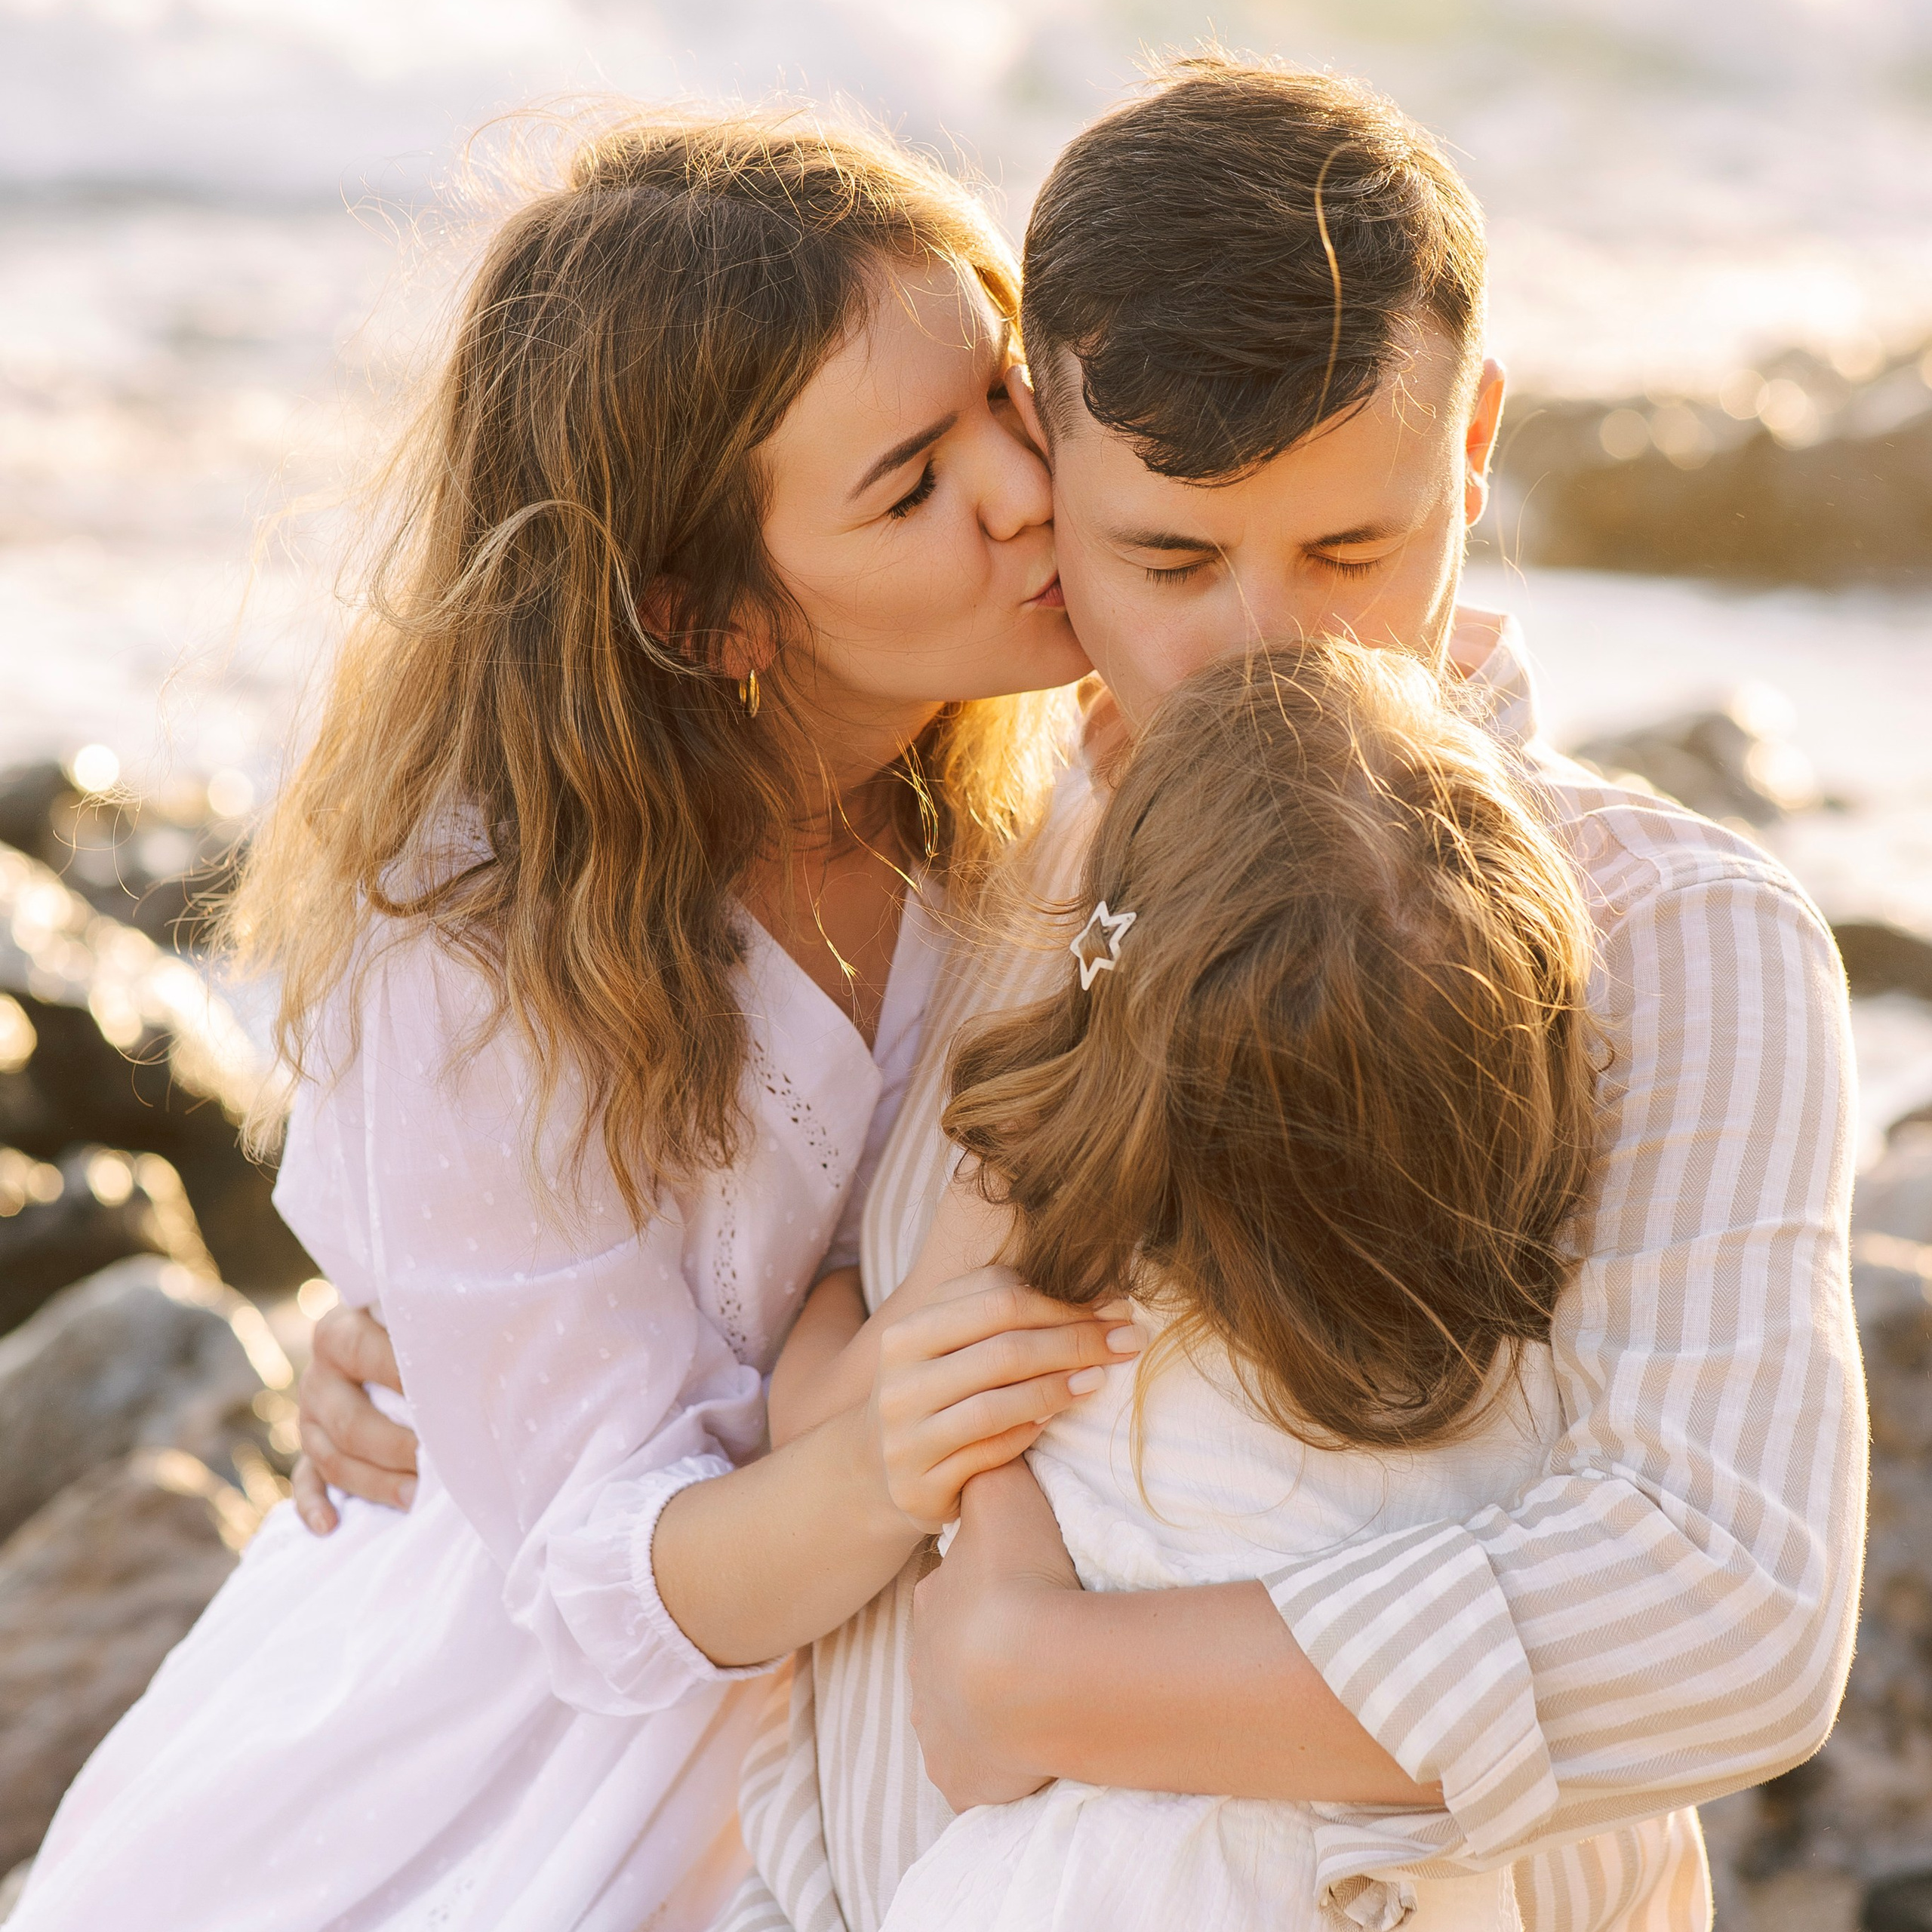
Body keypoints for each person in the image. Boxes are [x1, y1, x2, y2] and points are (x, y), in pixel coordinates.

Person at [306, 54, 1866, 1932]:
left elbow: (1730, 1613)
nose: (1261, 650)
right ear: (1043, 465)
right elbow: (770, 1249)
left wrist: (1039, 1679)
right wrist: (414, 1305)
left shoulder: (1678, 936)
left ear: (1474, 450)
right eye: (1170, 557)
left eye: (1352, 550)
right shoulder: (979, 848)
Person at [6, 109, 1129, 1932]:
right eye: (908, 484)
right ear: (710, 616)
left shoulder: (1041, 782)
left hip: (929, 1627)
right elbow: (602, 1575)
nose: (1019, 491)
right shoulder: (484, 942)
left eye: (1004, 393)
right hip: (523, 1749)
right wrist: (884, 1451)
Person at [783, 635, 1607, 1932]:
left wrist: (825, 1301)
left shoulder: (1051, 1239)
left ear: (1115, 988)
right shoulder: (1533, 1354)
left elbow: (825, 1431)